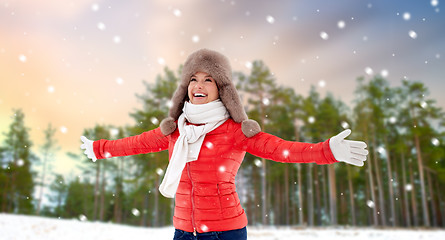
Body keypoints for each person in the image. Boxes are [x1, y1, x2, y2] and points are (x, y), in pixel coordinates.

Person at [80, 48, 368, 240]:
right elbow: (134, 143)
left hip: (224, 232)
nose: (199, 85)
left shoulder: (234, 131)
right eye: (193, 79)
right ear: (185, 88)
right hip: (182, 231)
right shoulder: (176, 131)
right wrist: (98, 148)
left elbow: (283, 150)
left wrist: (327, 150)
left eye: (208, 79)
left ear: (222, 89)